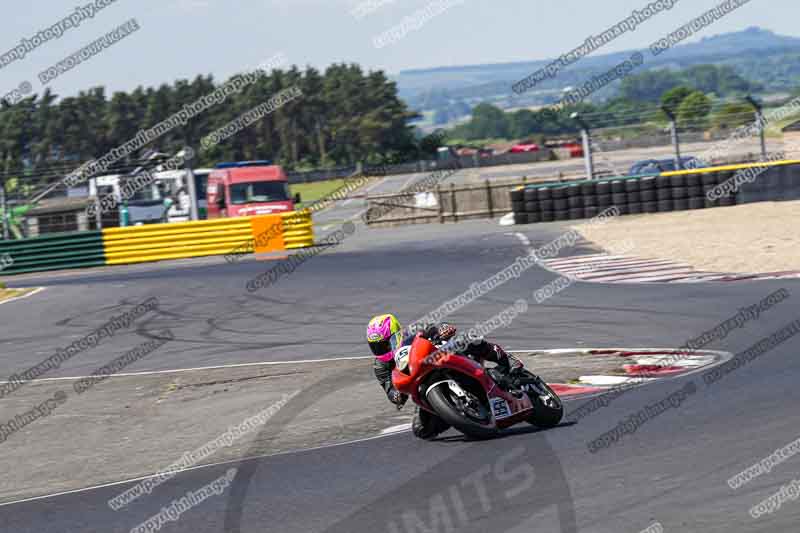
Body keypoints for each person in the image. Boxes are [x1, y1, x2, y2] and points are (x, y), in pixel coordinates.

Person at [366, 313, 522, 440]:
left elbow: (433, 328)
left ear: (395, 333)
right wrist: (396, 396)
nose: (381, 349)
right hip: (420, 385)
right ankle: (452, 413)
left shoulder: (411, 331)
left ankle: (506, 359)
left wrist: (442, 330)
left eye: (385, 344)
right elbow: (389, 388)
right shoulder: (380, 366)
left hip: (440, 358)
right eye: (376, 347)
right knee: (421, 429)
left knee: (468, 339)